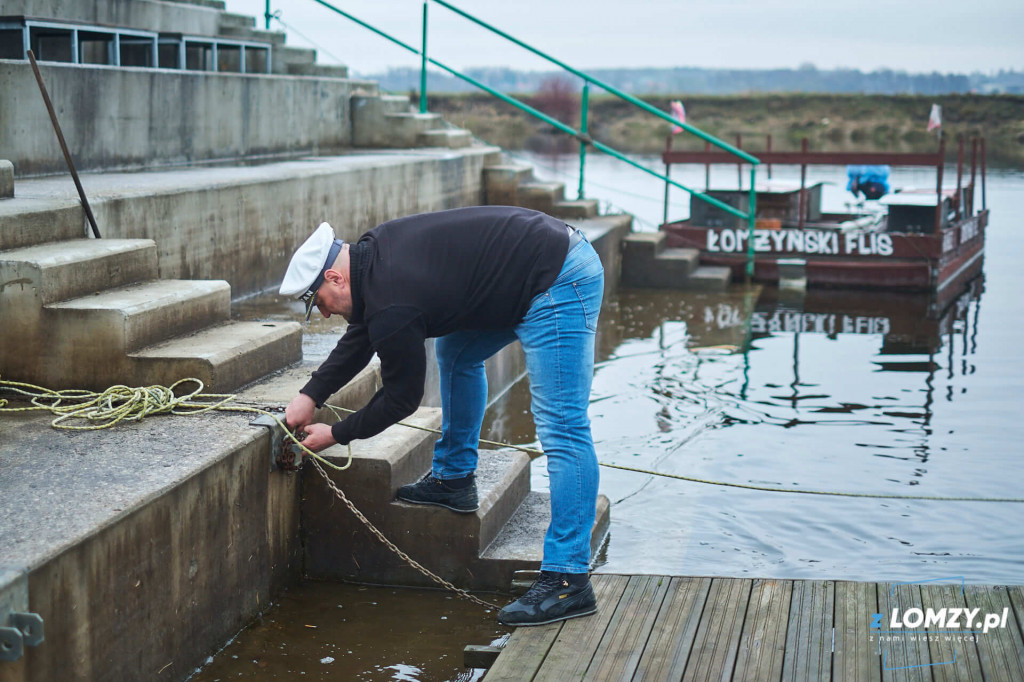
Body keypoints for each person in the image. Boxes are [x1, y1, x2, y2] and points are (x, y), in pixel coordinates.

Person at [279, 205, 604, 627]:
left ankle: (568, 580)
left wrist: (336, 433)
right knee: (456, 352)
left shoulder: (391, 296)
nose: (323, 313)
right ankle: (453, 478)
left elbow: (401, 399)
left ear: (334, 277)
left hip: (558, 277)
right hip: (525, 266)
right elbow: (365, 332)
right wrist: (310, 395)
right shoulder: (371, 259)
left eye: (318, 303)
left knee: (563, 427)